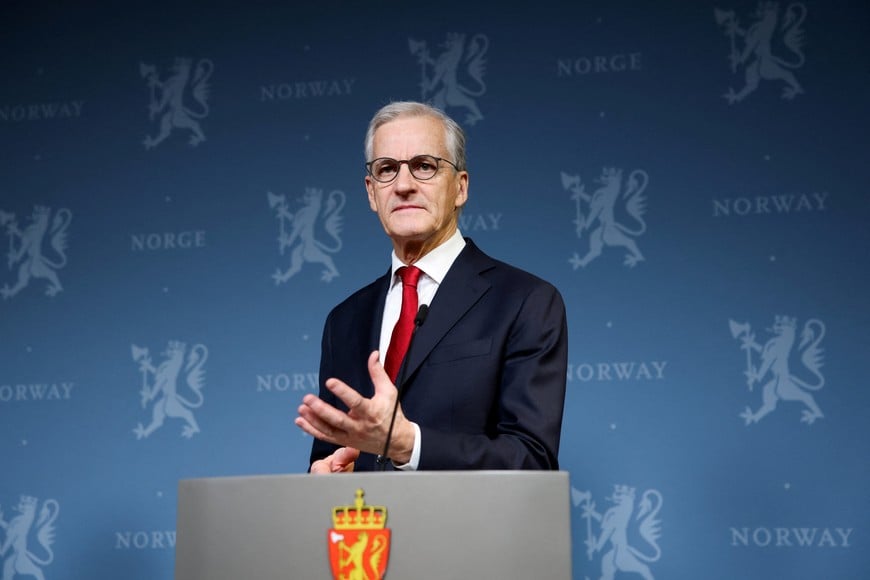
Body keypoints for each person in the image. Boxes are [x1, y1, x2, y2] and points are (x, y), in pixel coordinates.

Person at [294, 101, 567, 472]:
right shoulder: (344, 321)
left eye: (424, 166)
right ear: (372, 193)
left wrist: (410, 446)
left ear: (460, 187)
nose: (404, 185)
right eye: (387, 169)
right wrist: (323, 474)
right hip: (367, 528)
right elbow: (328, 455)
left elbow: (531, 461)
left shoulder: (526, 302)